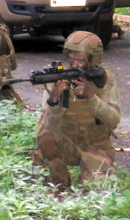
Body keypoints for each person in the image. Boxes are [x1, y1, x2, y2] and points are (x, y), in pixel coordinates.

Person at [32, 31, 121, 192]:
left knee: (98, 189)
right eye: (72, 59)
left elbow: (114, 120)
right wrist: (54, 100)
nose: (75, 64)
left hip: (96, 145)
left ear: (93, 59)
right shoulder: (57, 80)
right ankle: (59, 183)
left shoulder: (105, 79)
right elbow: (49, 125)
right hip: (66, 144)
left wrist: (91, 97)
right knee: (45, 137)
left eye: (80, 60)